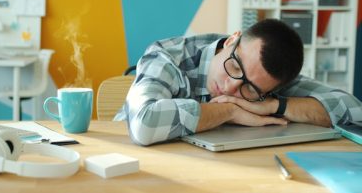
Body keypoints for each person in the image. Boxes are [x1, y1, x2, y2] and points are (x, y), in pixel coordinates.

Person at [115, 19, 362, 146]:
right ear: (233, 40)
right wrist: (229, 110)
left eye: (250, 89)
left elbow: (354, 110)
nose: (232, 88)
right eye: (235, 66)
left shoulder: (268, 80)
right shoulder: (168, 55)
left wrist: (275, 106)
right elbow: (144, 123)